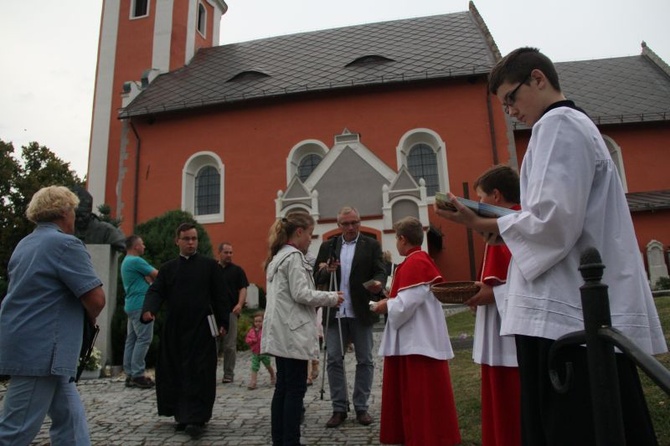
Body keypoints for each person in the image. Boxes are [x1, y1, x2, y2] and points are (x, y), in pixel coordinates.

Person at [435, 47, 667, 445]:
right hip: (575, 303)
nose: (509, 111)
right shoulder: (570, 126)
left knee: (574, 423)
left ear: (538, 79)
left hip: (566, 310)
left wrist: (482, 220)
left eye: (511, 97)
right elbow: (553, 217)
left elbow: (553, 222)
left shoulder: (557, 125)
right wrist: (495, 223)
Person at [0, 185, 106, 445]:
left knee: (70, 422)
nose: (74, 216)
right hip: (44, 350)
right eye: (72, 210)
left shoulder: (26, 243)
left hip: (32, 345)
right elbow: (96, 299)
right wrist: (89, 316)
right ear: (63, 212)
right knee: (14, 431)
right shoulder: (65, 244)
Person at [372, 216, 461, 445]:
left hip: (418, 342)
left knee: (419, 398)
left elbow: (405, 304)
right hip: (415, 340)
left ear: (402, 239)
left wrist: (384, 305)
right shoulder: (418, 260)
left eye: (397, 239)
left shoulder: (415, 262)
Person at [261, 210, 343, 446]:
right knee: (295, 390)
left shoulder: (277, 257)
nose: (310, 239)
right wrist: (331, 297)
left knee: (283, 389)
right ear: (299, 232)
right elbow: (301, 293)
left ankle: (281, 439)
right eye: (310, 233)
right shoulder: (294, 257)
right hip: (293, 331)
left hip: (282, 331)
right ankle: (291, 440)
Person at [141, 223, 229, 440]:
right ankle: (182, 414)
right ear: (177, 241)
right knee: (177, 371)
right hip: (176, 329)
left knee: (200, 372)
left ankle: (197, 417)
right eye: (186, 238)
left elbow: (220, 296)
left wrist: (223, 321)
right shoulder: (169, 268)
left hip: (201, 327)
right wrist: (149, 310)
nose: (191, 242)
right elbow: (156, 291)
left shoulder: (210, 266)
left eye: (194, 238)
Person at [313, 206, 387, 428]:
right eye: (346, 223)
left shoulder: (371, 244)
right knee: (334, 359)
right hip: (335, 310)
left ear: (360, 221)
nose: (351, 227)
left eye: (354, 222)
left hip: (360, 309)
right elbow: (317, 274)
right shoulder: (329, 246)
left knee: (365, 359)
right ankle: (339, 407)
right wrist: (328, 270)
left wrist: (378, 284)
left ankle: (361, 406)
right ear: (339, 225)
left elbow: (380, 270)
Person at [466, 165, 521, 446]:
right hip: (497, 327)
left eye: (481, 198)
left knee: (513, 403)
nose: (478, 205)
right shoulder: (500, 226)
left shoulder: (518, 225)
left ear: (497, 196)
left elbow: (530, 280)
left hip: (513, 336)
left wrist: (491, 295)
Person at [121, 234, 158, 389]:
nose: (144, 246)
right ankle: (138, 374)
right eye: (142, 244)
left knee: (132, 339)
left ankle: (130, 372)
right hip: (142, 305)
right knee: (143, 339)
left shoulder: (125, 261)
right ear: (136, 246)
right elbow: (157, 274)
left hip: (131, 304)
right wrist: (151, 279)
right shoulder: (136, 261)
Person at [218, 242, 250, 384]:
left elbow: (243, 288)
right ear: (219, 253)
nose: (229, 255)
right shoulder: (212, 269)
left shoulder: (237, 271)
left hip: (231, 310)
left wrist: (240, 304)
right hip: (214, 312)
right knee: (212, 344)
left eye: (231, 252)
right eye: (226, 252)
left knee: (230, 345)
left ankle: (228, 374)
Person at [71, 185, 125, 252]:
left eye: (83, 215)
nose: (79, 219)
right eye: (76, 216)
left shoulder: (105, 230)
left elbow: (125, 246)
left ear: (89, 213)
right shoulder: (64, 230)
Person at [244, 311, 276, 390]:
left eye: (260, 321)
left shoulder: (265, 331)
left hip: (264, 352)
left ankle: (272, 375)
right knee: (254, 367)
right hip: (255, 353)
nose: (258, 323)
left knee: (268, 365)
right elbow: (247, 340)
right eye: (256, 321)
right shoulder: (252, 331)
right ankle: (253, 381)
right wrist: (252, 341)